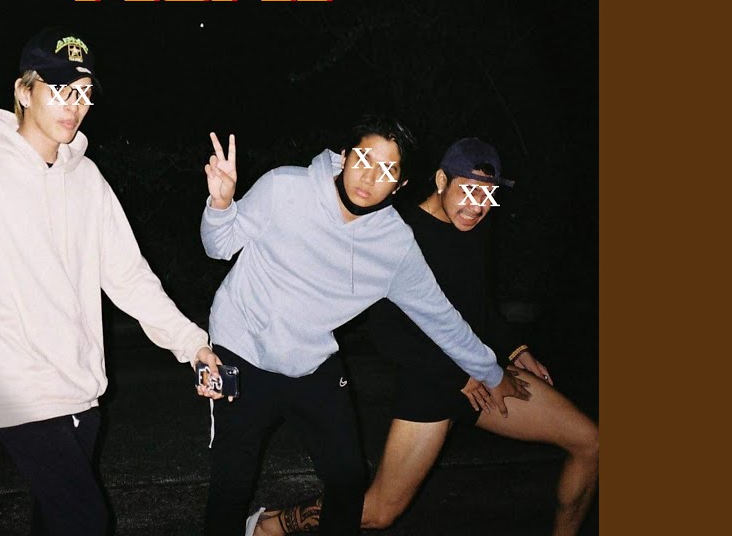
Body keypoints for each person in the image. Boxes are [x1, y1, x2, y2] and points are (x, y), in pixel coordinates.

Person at [0, 28, 226, 536]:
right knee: (87, 521)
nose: (74, 104)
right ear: (23, 91)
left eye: (83, 92)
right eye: (60, 89)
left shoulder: (87, 179)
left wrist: (193, 344)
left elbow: (129, 278)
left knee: (57, 523)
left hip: (80, 389)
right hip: (19, 391)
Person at [200, 117, 531, 536]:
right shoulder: (285, 187)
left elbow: (440, 317)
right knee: (232, 483)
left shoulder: (394, 245)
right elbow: (218, 246)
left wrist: (491, 372)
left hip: (311, 357)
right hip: (241, 348)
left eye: (388, 170)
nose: (371, 177)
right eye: (364, 159)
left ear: (400, 185)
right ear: (344, 158)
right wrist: (221, 205)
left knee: (348, 479)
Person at [251, 138, 599, 536]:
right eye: (468, 190)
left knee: (590, 443)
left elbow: (479, 305)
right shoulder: (400, 235)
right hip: (432, 381)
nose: (477, 205)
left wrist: (517, 350)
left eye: (488, 194)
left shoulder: (473, 225)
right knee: (378, 512)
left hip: (480, 373)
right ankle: (273, 525)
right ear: (440, 180)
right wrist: (458, 377)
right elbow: (386, 332)